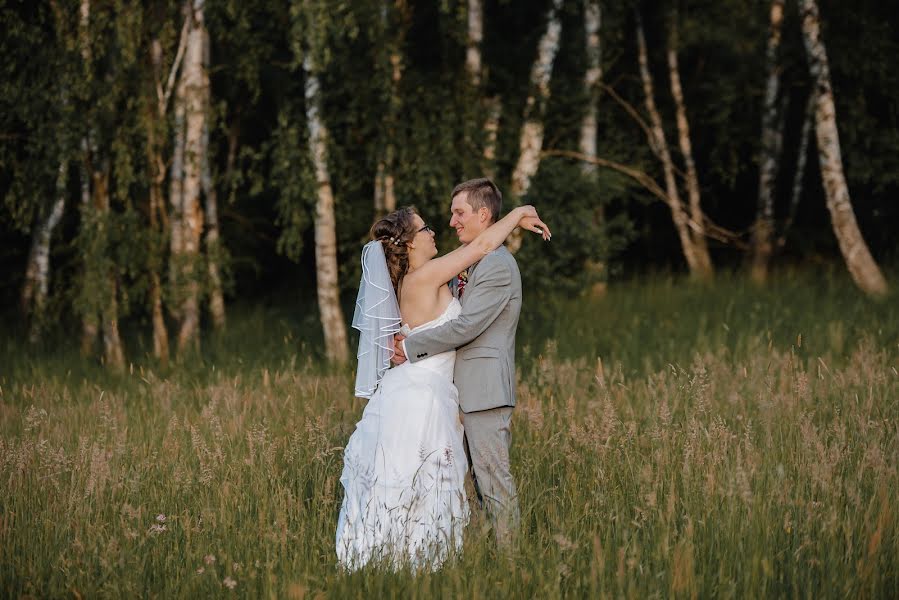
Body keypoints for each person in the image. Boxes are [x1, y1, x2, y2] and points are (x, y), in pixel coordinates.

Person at [336, 197, 549, 570]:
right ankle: (414, 562)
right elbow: (482, 245)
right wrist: (517, 215)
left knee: (411, 481)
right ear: (408, 243)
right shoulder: (426, 276)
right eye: (426, 228)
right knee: (421, 482)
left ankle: (394, 561)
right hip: (423, 396)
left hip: (420, 389)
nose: (435, 231)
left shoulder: (418, 278)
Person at [392, 178, 532, 550]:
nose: (452, 221)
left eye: (459, 213)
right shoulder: (464, 264)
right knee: (466, 489)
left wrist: (411, 346)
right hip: (454, 394)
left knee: (494, 484)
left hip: (485, 393)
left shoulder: (499, 265)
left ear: (483, 215)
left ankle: (512, 565)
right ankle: (478, 558)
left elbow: (468, 326)